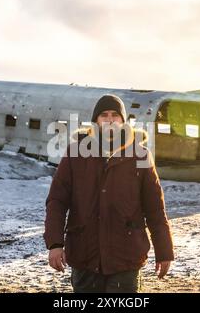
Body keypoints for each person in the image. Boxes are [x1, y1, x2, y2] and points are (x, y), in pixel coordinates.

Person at [44, 94, 174, 293]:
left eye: (115, 115)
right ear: (96, 120)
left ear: (123, 120)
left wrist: (164, 251)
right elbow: (57, 202)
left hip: (126, 256)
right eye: (104, 115)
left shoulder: (140, 155)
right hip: (85, 254)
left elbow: (155, 208)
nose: (110, 119)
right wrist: (55, 243)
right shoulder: (75, 154)